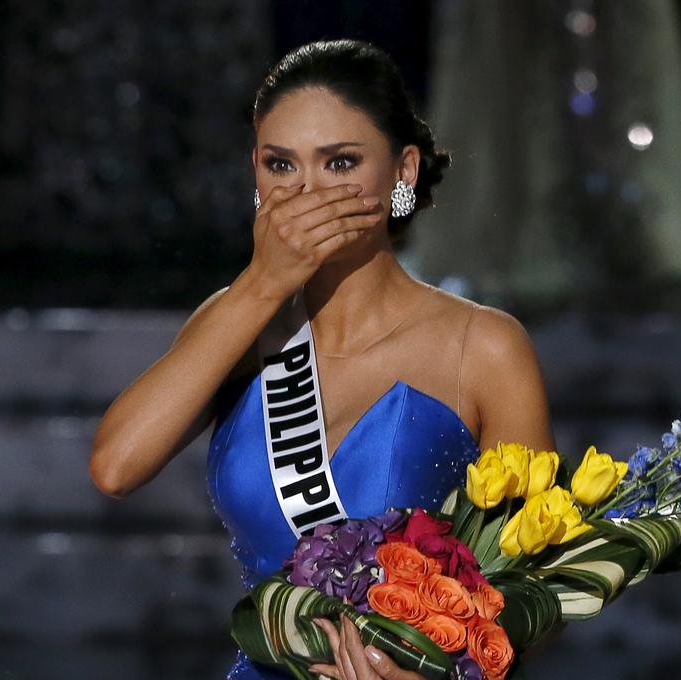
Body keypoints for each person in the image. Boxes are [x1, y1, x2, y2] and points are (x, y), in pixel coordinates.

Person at [89, 39, 555, 680]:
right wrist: (259, 287)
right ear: (255, 172)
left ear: (403, 171)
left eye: (340, 163)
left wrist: (430, 667)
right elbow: (115, 468)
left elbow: (541, 591)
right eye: (282, 167)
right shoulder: (237, 323)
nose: (307, 193)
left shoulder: (484, 347)